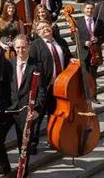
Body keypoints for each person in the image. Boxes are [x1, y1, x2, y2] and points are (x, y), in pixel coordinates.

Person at [0, 35, 45, 178]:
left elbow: (42, 91)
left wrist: (37, 110)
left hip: (26, 110)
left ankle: (22, 175)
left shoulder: (36, 65)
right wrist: (3, 105)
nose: (20, 50)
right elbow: (2, 86)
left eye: (23, 47)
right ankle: (4, 166)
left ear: (29, 47)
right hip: (9, 108)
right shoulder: (8, 63)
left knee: (23, 144)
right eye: (18, 47)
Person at [28, 19, 72, 154]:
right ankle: (33, 143)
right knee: (38, 116)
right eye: (41, 28)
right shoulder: (35, 45)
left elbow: (68, 57)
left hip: (60, 86)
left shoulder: (60, 41)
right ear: (37, 32)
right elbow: (32, 66)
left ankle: (52, 139)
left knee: (54, 115)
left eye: (47, 26)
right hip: (44, 86)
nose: (45, 28)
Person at [77, 0, 104, 103]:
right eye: (88, 8)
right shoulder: (78, 21)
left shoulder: (99, 21)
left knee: (93, 76)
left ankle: (93, 96)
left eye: (91, 8)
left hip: (95, 53)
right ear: (84, 9)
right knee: (82, 76)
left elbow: (103, 35)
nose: (89, 10)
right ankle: (82, 96)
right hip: (83, 52)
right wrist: (84, 42)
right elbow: (73, 37)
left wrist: (97, 39)